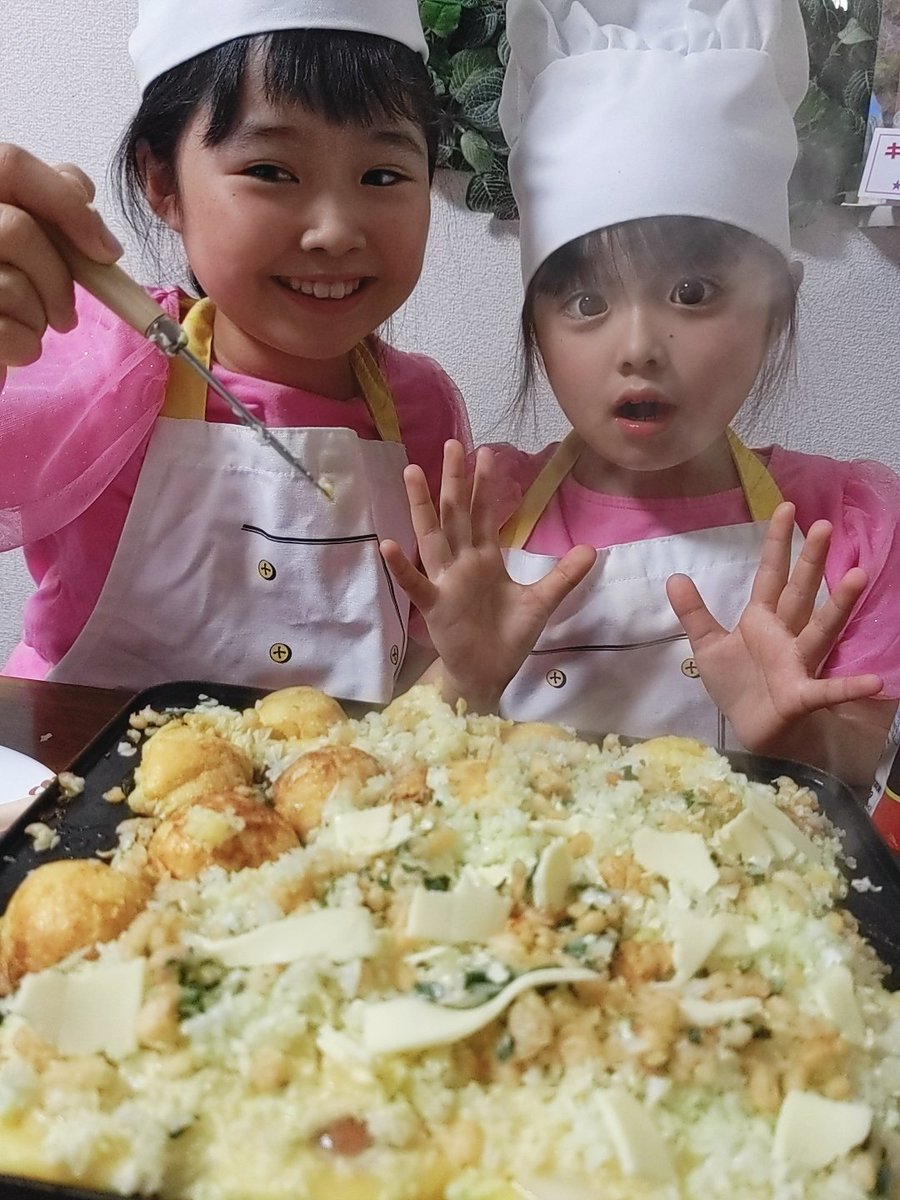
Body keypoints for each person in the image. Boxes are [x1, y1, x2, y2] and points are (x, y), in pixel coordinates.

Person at [381, 0, 900, 792]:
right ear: (536, 328)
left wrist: (799, 737)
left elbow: (862, 767)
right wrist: (464, 681)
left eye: (692, 292)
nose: (637, 348)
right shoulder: (483, 518)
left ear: (774, 310)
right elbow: (396, 770)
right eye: (586, 302)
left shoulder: (851, 528)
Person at [0, 0, 470, 702]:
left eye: (381, 176)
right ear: (163, 183)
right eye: (272, 171)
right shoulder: (94, 357)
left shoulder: (424, 410)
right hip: (70, 761)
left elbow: (424, 644)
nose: (335, 232)